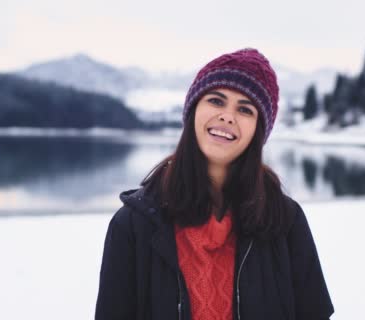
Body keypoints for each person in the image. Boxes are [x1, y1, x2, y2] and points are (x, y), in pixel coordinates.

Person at [95, 48, 334, 320]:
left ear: (258, 130)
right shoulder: (132, 226)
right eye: (217, 101)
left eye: (245, 109)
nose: (227, 116)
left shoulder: (285, 220)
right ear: (194, 110)